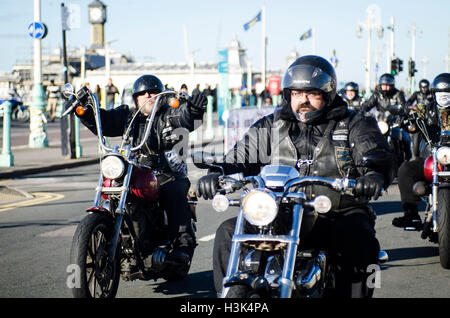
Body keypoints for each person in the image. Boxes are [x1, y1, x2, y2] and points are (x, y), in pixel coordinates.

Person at [197, 55, 393, 298]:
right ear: (287, 96)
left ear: (328, 93)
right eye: (296, 94)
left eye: (311, 93)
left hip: (337, 212)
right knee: (227, 232)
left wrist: (374, 174)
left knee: (360, 241)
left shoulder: (354, 123)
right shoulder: (272, 126)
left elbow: (375, 152)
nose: (303, 101)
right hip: (282, 212)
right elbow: (241, 154)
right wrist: (219, 172)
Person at [76, 74, 207, 266]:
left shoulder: (169, 115)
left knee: (174, 193)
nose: (148, 95)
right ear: (136, 98)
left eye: (153, 92)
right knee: (113, 188)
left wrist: (194, 108)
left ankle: (182, 246)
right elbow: (103, 120)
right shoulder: (128, 117)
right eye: (142, 93)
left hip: (166, 173)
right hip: (135, 172)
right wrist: (84, 110)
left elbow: (186, 117)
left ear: (160, 95)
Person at [393, 73, 450, 229]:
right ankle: (411, 215)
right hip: (432, 156)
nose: (444, 97)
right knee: (405, 169)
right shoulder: (427, 108)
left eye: (447, 93)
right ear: (434, 93)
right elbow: (414, 114)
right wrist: (405, 120)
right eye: (440, 94)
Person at [362, 73, 412, 162]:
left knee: (405, 138)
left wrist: (402, 114)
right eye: (383, 86)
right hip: (380, 123)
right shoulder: (376, 95)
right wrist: (363, 112)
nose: (385, 88)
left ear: (392, 85)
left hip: (394, 122)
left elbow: (403, 107)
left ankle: (408, 158)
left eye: (387, 86)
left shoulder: (398, 94)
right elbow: (367, 105)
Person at [406, 79, 435, 158]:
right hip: (419, 117)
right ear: (419, 87)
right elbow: (409, 101)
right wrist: (410, 106)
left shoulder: (432, 94)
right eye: (422, 87)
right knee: (413, 129)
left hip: (429, 116)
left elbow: (436, 103)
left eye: (425, 87)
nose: (424, 89)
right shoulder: (416, 94)